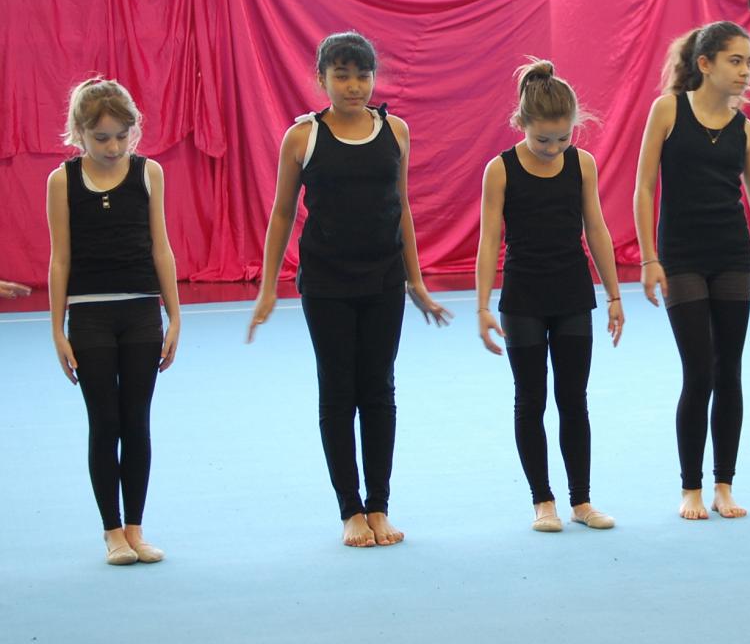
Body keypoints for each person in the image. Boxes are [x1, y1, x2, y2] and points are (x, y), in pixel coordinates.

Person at [247, 31, 452, 546]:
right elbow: (282, 214)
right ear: (321, 79)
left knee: (379, 390)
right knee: (338, 391)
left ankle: (379, 506)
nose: (354, 86)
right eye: (341, 76)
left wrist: (415, 281)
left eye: (363, 75)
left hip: (383, 279)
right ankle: (350, 511)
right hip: (327, 284)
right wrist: (268, 287)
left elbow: (401, 207)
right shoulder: (303, 138)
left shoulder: (395, 131)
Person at [634, 21, 750, 521]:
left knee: (730, 370)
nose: (745, 71)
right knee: (699, 370)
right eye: (735, 60)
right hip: (681, 256)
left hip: (731, 257)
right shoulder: (668, 111)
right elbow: (644, 188)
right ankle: (690, 487)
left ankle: (723, 485)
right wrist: (649, 257)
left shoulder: (744, 129)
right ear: (705, 64)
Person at [476, 59, 624, 533]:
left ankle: (582, 500)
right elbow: (488, 241)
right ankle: (543, 500)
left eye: (563, 138)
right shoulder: (500, 170)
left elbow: (596, 228)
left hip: (572, 293)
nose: (554, 148)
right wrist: (482, 306)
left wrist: (614, 295)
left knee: (574, 399)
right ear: (522, 123)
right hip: (523, 297)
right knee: (531, 399)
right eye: (543, 140)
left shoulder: (582, 164)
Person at [46, 78, 181, 565]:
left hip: (141, 311)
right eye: (101, 138)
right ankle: (111, 531)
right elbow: (60, 259)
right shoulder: (62, 181)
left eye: (122, 136)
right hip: (90, 316)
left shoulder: (149, 174)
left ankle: (135, 528)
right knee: (104, 422)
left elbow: (161, 247)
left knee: (136, 421)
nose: (113, 147)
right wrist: (57, 329)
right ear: (79, 133)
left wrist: (174, 314)